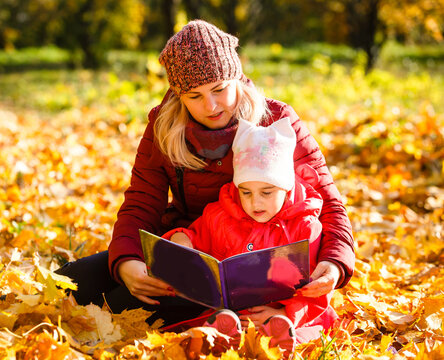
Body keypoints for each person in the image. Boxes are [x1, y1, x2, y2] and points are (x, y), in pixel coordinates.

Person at [56, 19, 354, 328]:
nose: (210, 106)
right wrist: (127, 261)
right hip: (186, 247)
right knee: (69, 283)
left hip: (254, 265)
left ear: (236, 78)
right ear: (178, 94)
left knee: (117, 309)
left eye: (219, 89)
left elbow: (329, 203)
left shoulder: (277, 121)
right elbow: (141, 202)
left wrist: (334, 263)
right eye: (194, 96)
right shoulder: (164, 125)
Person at [161, 117, 338, 354]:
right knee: (208, 325)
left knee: (305, 330)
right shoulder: (220, 215)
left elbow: (315, 290)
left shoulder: (304, 227)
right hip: (232, 312)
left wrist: (286, 313)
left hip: (286, 313)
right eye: (246, 192)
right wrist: (181, 238)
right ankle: (220, 334)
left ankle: (281, 334)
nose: (255, 202)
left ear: (286, 188)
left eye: (266, 192)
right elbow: (195, 239)